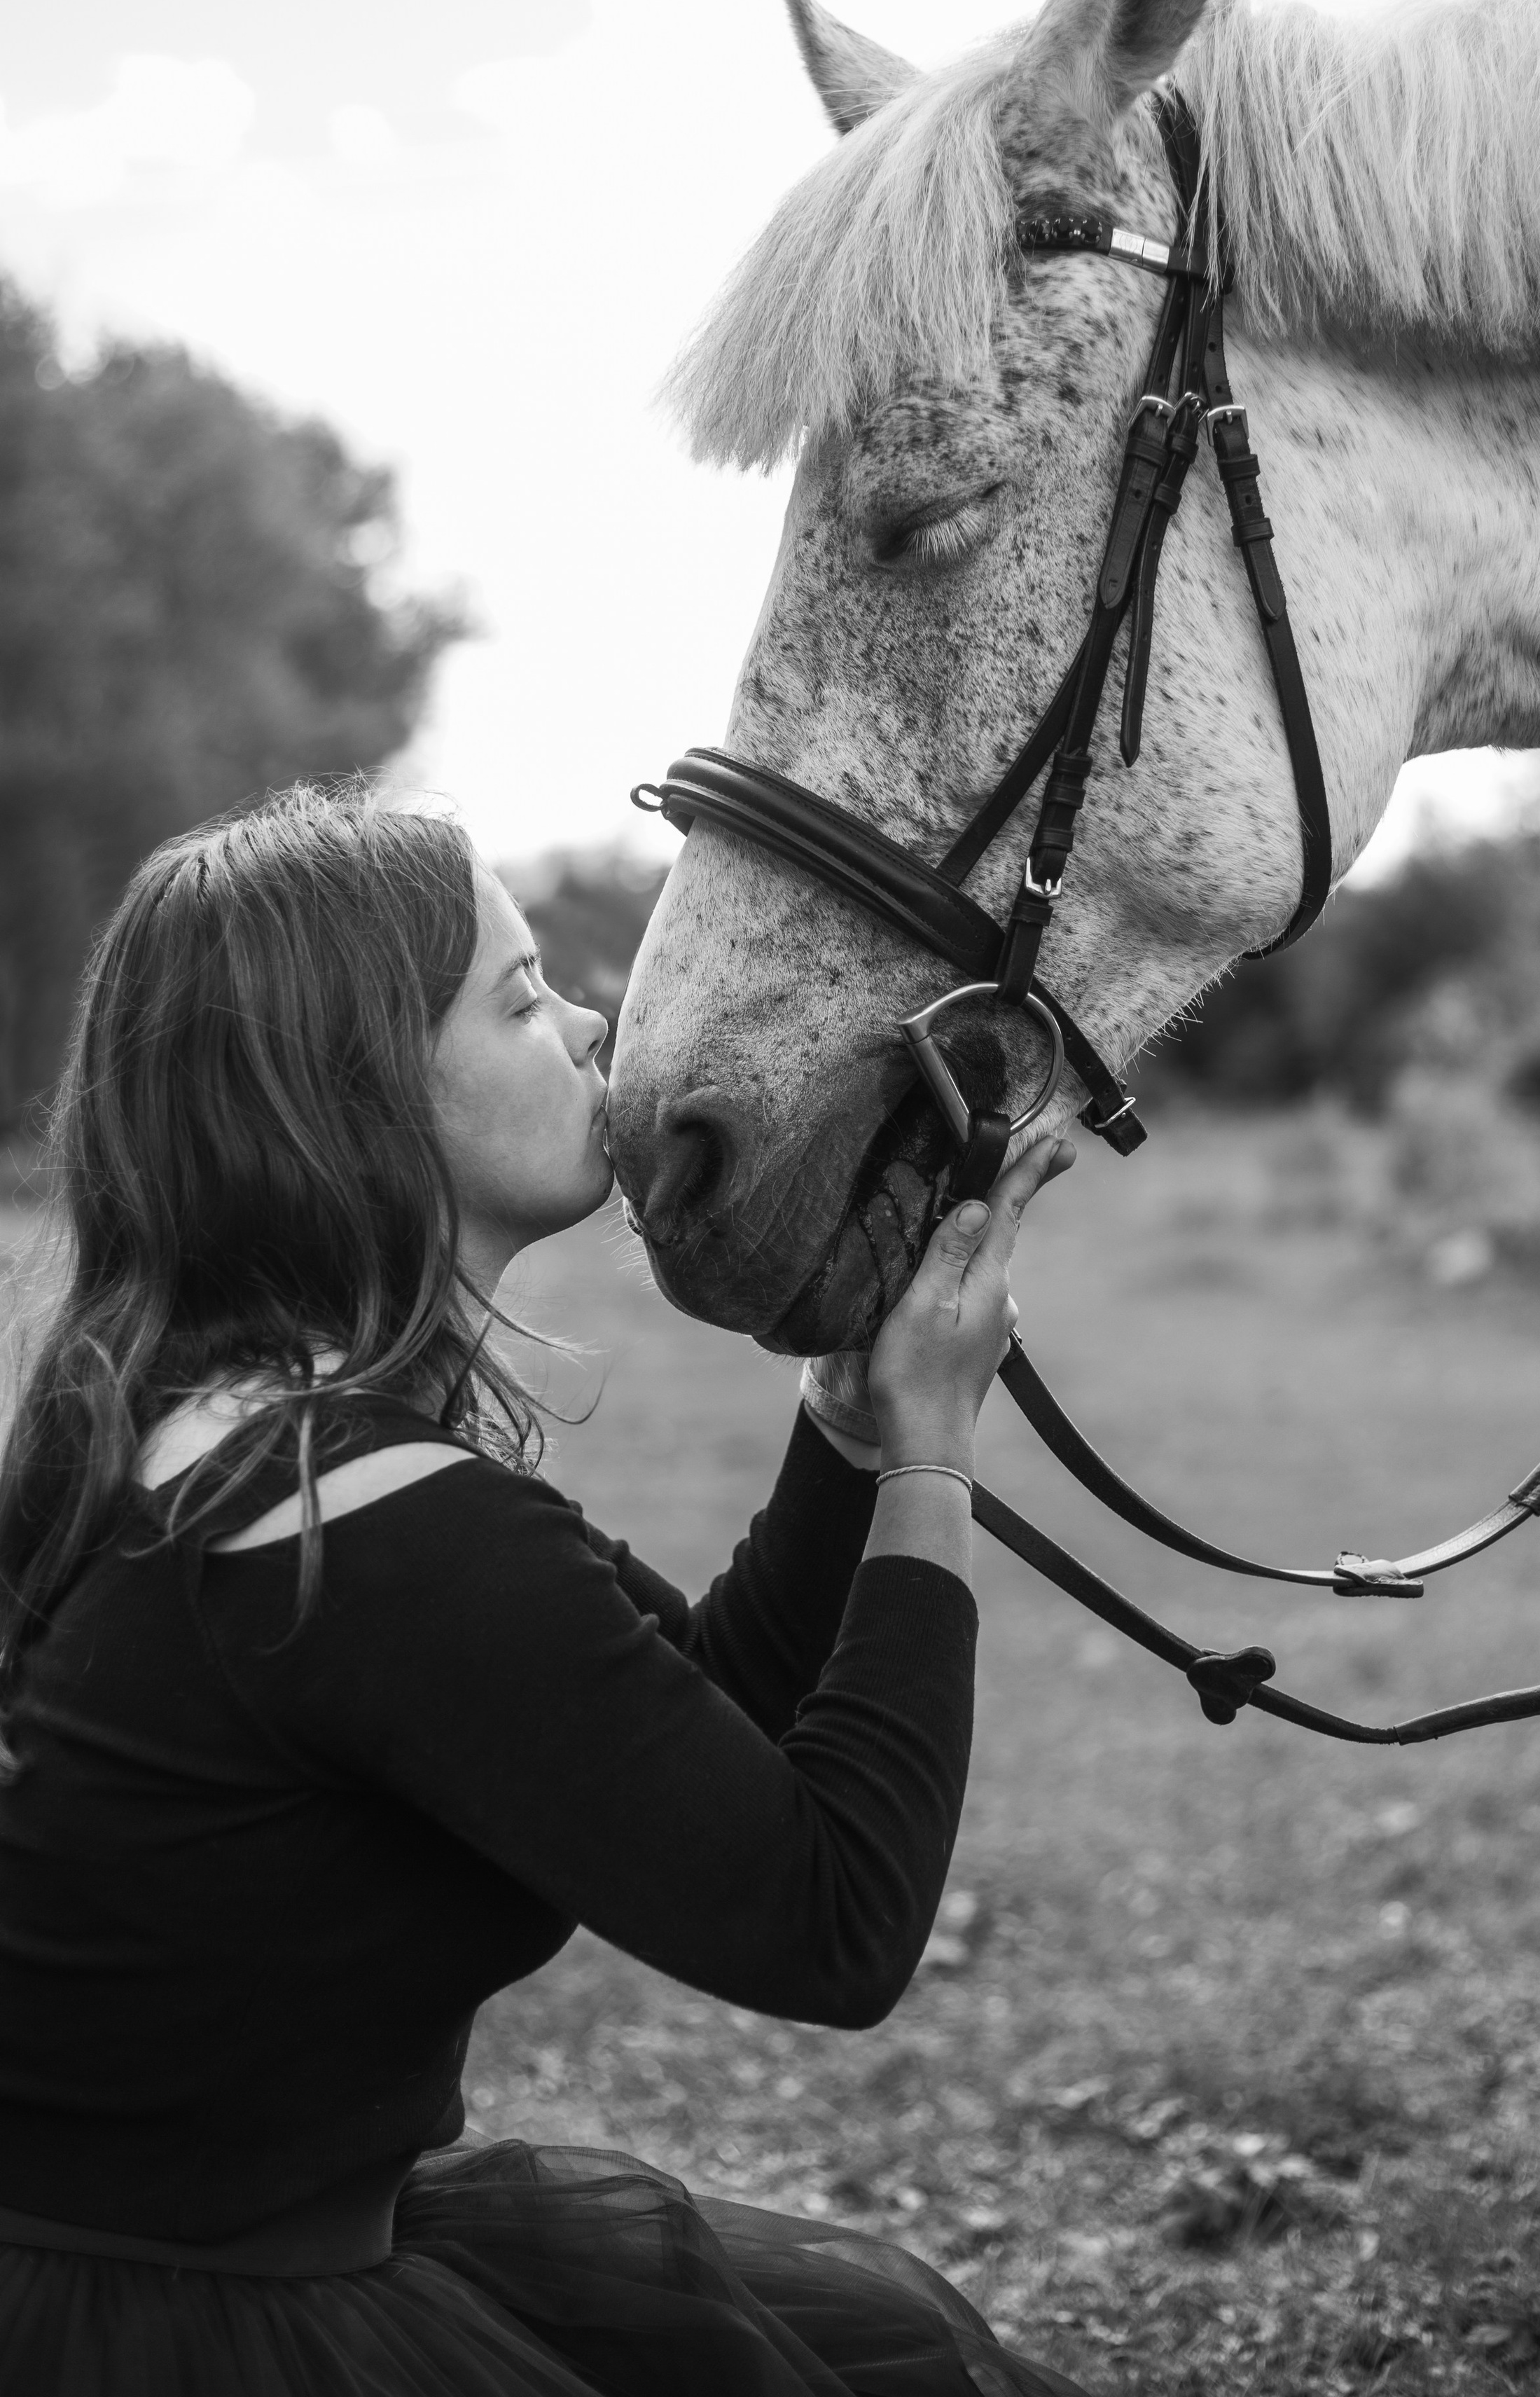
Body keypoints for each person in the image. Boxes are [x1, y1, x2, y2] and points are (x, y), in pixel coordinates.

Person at [0, 782, 1087, 2397]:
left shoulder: (242, 1438)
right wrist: (930, 1454)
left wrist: (843, 1429)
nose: (590, 1026)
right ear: (356, 1098)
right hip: (188, 2332)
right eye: (518, 999)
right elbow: (830, 1923)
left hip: (199, 2246)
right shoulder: (363, 1527)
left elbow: (701, 1710)